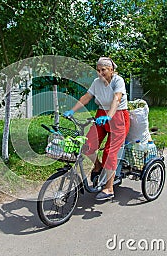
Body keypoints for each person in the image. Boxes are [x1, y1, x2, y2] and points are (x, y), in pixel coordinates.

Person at [63, 57, 130, 200]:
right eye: (98, 70)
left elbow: (116, 99)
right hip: (101, 115)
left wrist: (110, 116)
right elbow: (87, 97)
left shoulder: (118, 81)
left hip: (118, 117)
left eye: (103, 70)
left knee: (109, 152)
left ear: (111, 70)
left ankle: (109, 188)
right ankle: (98, 166)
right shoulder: (96, 82)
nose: (100, 73)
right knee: (87, 145)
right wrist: (72, 110)